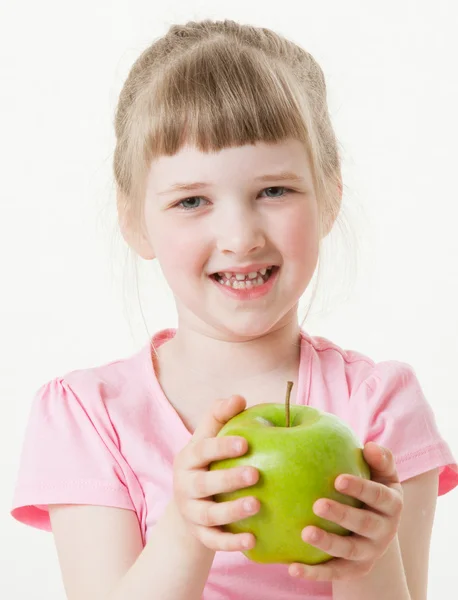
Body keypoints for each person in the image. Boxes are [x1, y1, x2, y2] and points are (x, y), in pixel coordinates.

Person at [11, 18, 457, 600]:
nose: (240, 236)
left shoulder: (377, 409)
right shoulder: (88, 417)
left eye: (274, 191)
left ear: (329, 198)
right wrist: (187, 531)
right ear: (133, 221)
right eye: (192, 200)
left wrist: (361, 562)